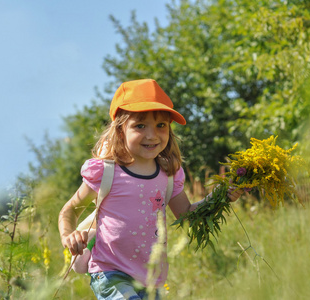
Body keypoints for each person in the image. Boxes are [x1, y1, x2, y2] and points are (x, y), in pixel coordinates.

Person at [58, 79, 243, 300]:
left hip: (150, 279)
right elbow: (69, 211)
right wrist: (69, 235)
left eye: (161, 125)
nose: (152, 135)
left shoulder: (168, 175)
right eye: (140, 125)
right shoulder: (106, 172)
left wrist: (220, 197)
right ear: (119, 131)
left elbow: (186, 215)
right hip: (110, 272)